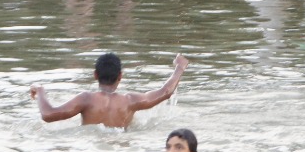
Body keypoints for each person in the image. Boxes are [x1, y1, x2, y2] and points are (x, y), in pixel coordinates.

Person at [30, 53, 188, 129]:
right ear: (120, 76)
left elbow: (48, 115)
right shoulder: (130, 100)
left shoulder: (86, 99)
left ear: (95, 75)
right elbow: (166, 92)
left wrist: (40, 91)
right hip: (122, 145)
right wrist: (180, 67)